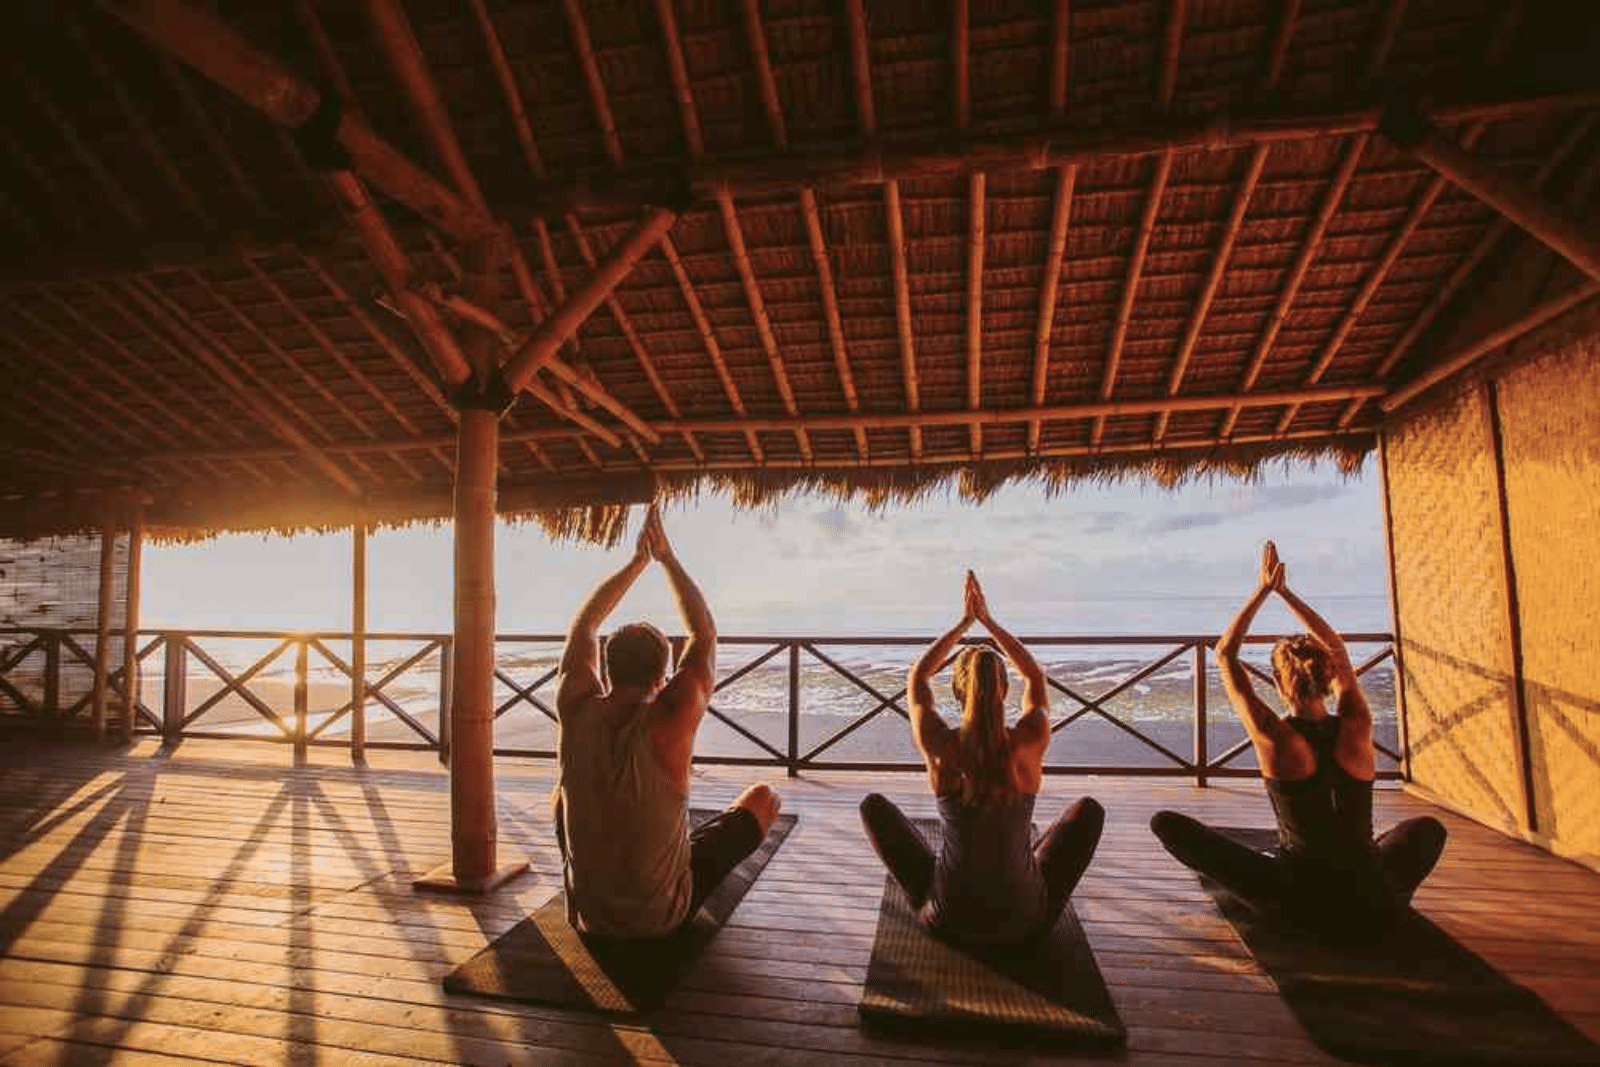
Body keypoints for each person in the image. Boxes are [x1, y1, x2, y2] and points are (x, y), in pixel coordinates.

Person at [1150, 541, 1446, 932]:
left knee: (1167, 823)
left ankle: (1290, 906)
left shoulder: (1276, 739)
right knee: (1427, 830)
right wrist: (1288, 594)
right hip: (1374, 898)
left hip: (1296, 902)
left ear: (1275, 681)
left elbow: (1224, 655)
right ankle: (1379, 901)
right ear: (1330, 677)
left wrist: (1262, 590)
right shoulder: (1357, 724)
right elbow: (1336, 647)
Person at [554, 503, 781, 938]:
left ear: (607, 667)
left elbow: (583, 626)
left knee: (560, 797)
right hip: (660, 918)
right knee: (764, 798)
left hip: (587, 916)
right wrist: (668, 559)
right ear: (662, 677)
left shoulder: (575, 707)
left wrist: (636, 564)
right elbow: (705, 634)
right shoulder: (671, 719)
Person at [859, 572, 1104, 949]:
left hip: (948, 921)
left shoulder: (940, 745)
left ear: (958, 690)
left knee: (873, 808)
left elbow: (918, 676)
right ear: (1005, 690)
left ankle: (963, 892)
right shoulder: (1030, 739)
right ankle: (1023, 869)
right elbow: (1035, 676)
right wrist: (989, 622)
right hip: (1026, 923)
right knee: (1087, 811)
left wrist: (964, 624)